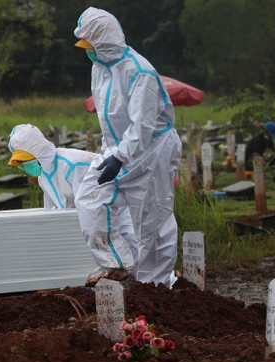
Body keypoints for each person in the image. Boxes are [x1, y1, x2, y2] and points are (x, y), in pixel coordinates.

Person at [74, 7, 181, 288]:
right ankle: (117, 264)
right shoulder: (100, 68)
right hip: (119, 150)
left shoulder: (139, 71)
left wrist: (119, 157)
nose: (88, 51)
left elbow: (142, 126)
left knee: (153, 218)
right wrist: (112, 152)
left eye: (91, 45)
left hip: (153, 150)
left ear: (105, 40)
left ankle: (155, 286)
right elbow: (109, 118)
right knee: (89, 197)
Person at [7, 123, 138, 285]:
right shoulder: (44, 176)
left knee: (134, 266)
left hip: (114, 220)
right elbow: (54, 214)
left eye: (26, 160)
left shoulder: (72, 164)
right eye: (20, 162)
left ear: (39, 152)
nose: (25, 165)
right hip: (93, 231)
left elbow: (92, 208)